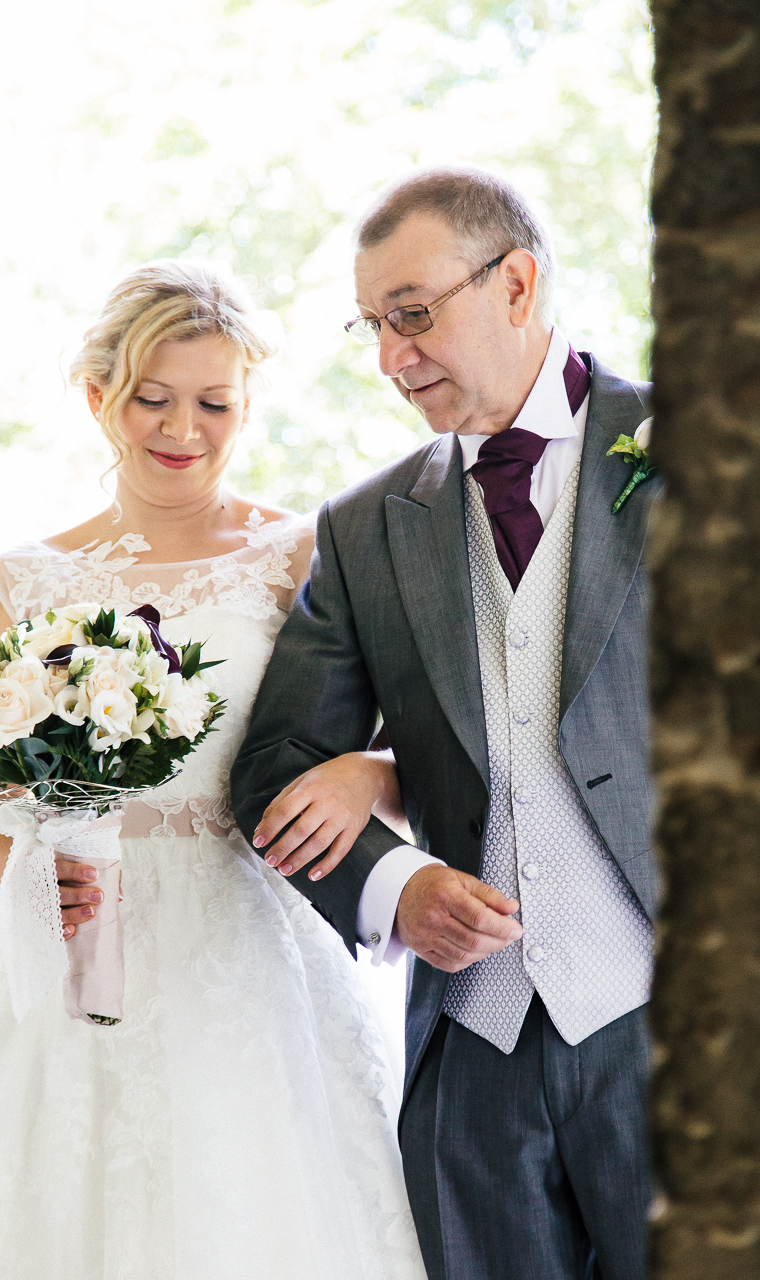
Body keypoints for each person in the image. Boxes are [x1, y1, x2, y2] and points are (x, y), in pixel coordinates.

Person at [0, 260, 427, 1278]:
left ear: (246, 403)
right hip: (72, 959)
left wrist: (372, 774)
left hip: (246, 956)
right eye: (154, 397)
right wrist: (34, 888)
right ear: (98, 395)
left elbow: (421, 735)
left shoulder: (303, 554)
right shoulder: (21, 582)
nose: (184, 428)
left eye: (213, 402)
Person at [232, 166, 657, 1280]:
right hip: (476, 1055)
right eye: (373, 324)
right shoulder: (367, 526)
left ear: (517, 282)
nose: (390, 355)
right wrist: (397, 885)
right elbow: (274, 762)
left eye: (412, 313)